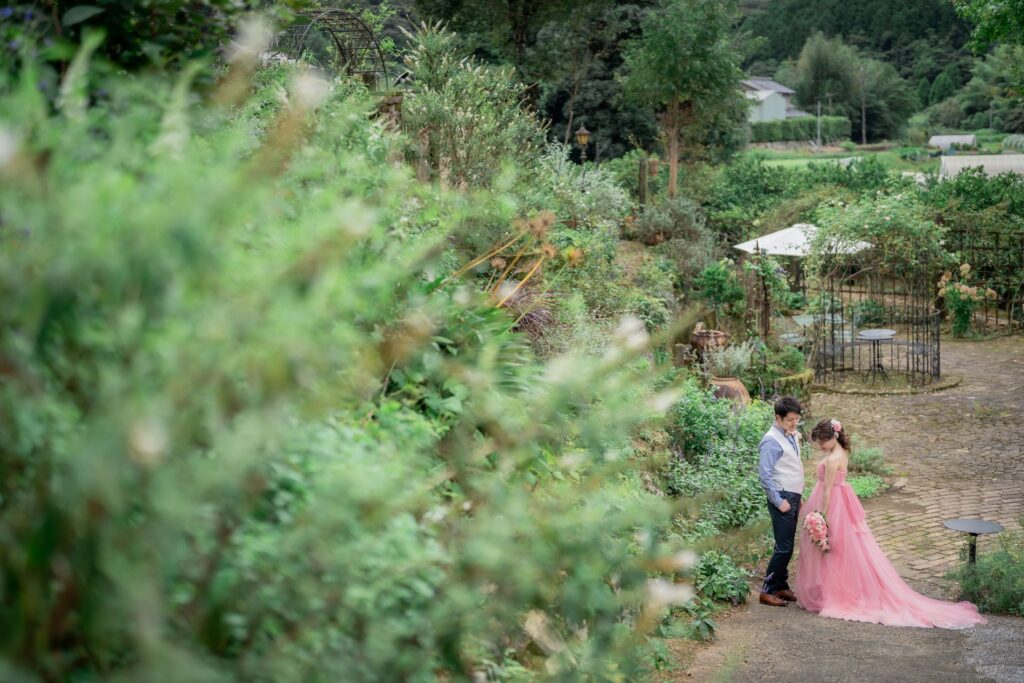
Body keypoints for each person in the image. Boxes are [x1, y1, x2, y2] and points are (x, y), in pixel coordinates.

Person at [796, 418, 987, 628]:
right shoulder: (841, 452)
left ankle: (833, 592)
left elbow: (827, 490)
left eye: (822, 441)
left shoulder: (833, 459)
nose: (820, 446)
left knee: (832, 547)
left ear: (833, 437)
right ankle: (833, 589)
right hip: (842, 500)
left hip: (833, 503)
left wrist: (821, 516)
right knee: (844, 547)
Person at [757, 396, 804, 606]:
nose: (794, 423)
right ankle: (767, 590)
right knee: (783, 547)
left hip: (792, 496)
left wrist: (799, 496)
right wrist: (778, 501)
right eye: (790, 420)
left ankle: (781, 585)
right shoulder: (770, 441)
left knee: (788, 546)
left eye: (796, 419)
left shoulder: (789, 434)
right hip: (782, 498)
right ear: (778, 417)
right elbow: (765, 476)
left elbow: (792, 465)